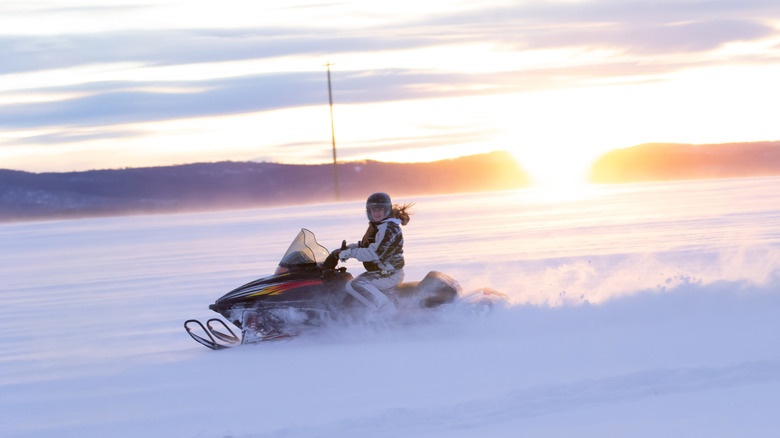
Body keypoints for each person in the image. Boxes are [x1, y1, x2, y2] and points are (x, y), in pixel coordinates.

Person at [337, 192, 412, 313]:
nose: (376, 213)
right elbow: (367, 245)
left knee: (356, 285)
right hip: (381, 271)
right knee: (351, 282)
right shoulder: (378, 225)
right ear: (368, 211)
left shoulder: (389, 228)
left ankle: (387, 310)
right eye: (373, 210)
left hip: (390, 273)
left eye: (380, 210)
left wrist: (350, 253)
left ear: (387, 210)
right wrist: (348, 248)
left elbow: (375, 253)